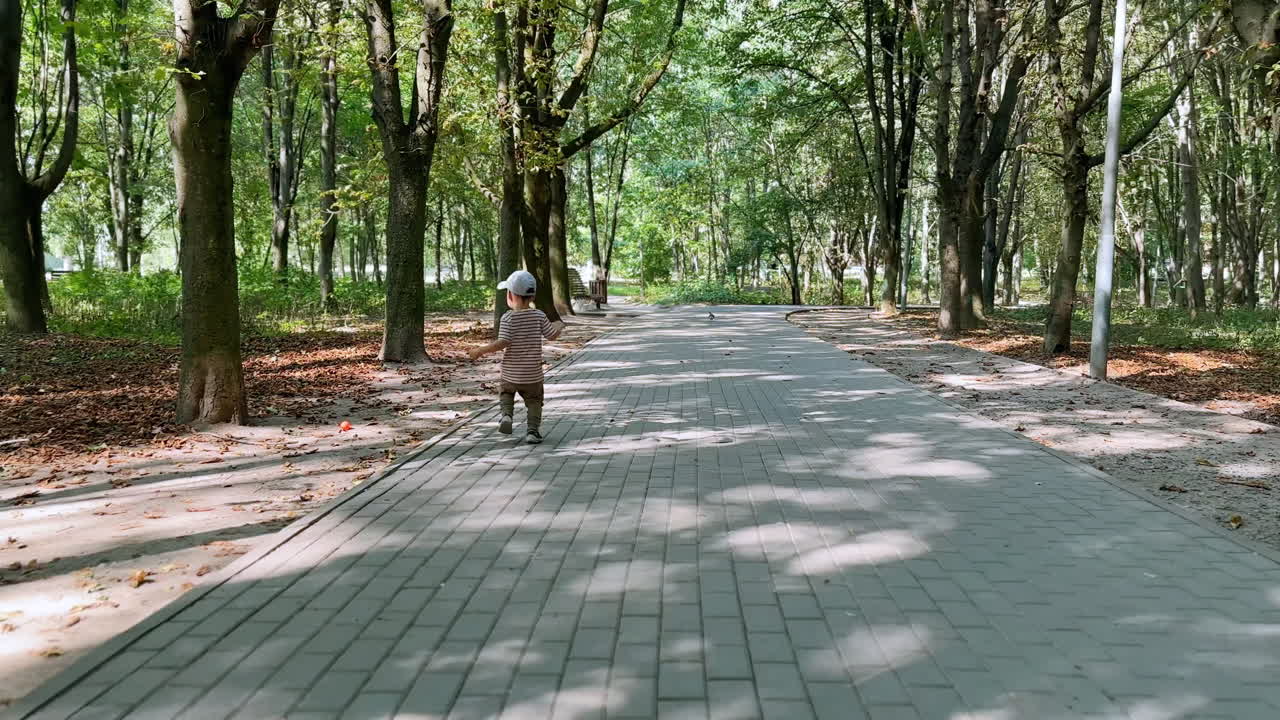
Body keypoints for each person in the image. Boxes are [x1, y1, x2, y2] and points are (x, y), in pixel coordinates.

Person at [468, 270, 564, 444]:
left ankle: (506, 416)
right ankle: (532, 432)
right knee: (534, 402)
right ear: (532, 296)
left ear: (510, 295)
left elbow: (502, 342)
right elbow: (552, 335)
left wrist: (480, 350)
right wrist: (558, 325)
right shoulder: (539, 315)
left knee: (506, 393)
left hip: (510, 374)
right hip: (533, 375)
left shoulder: (508, 318)